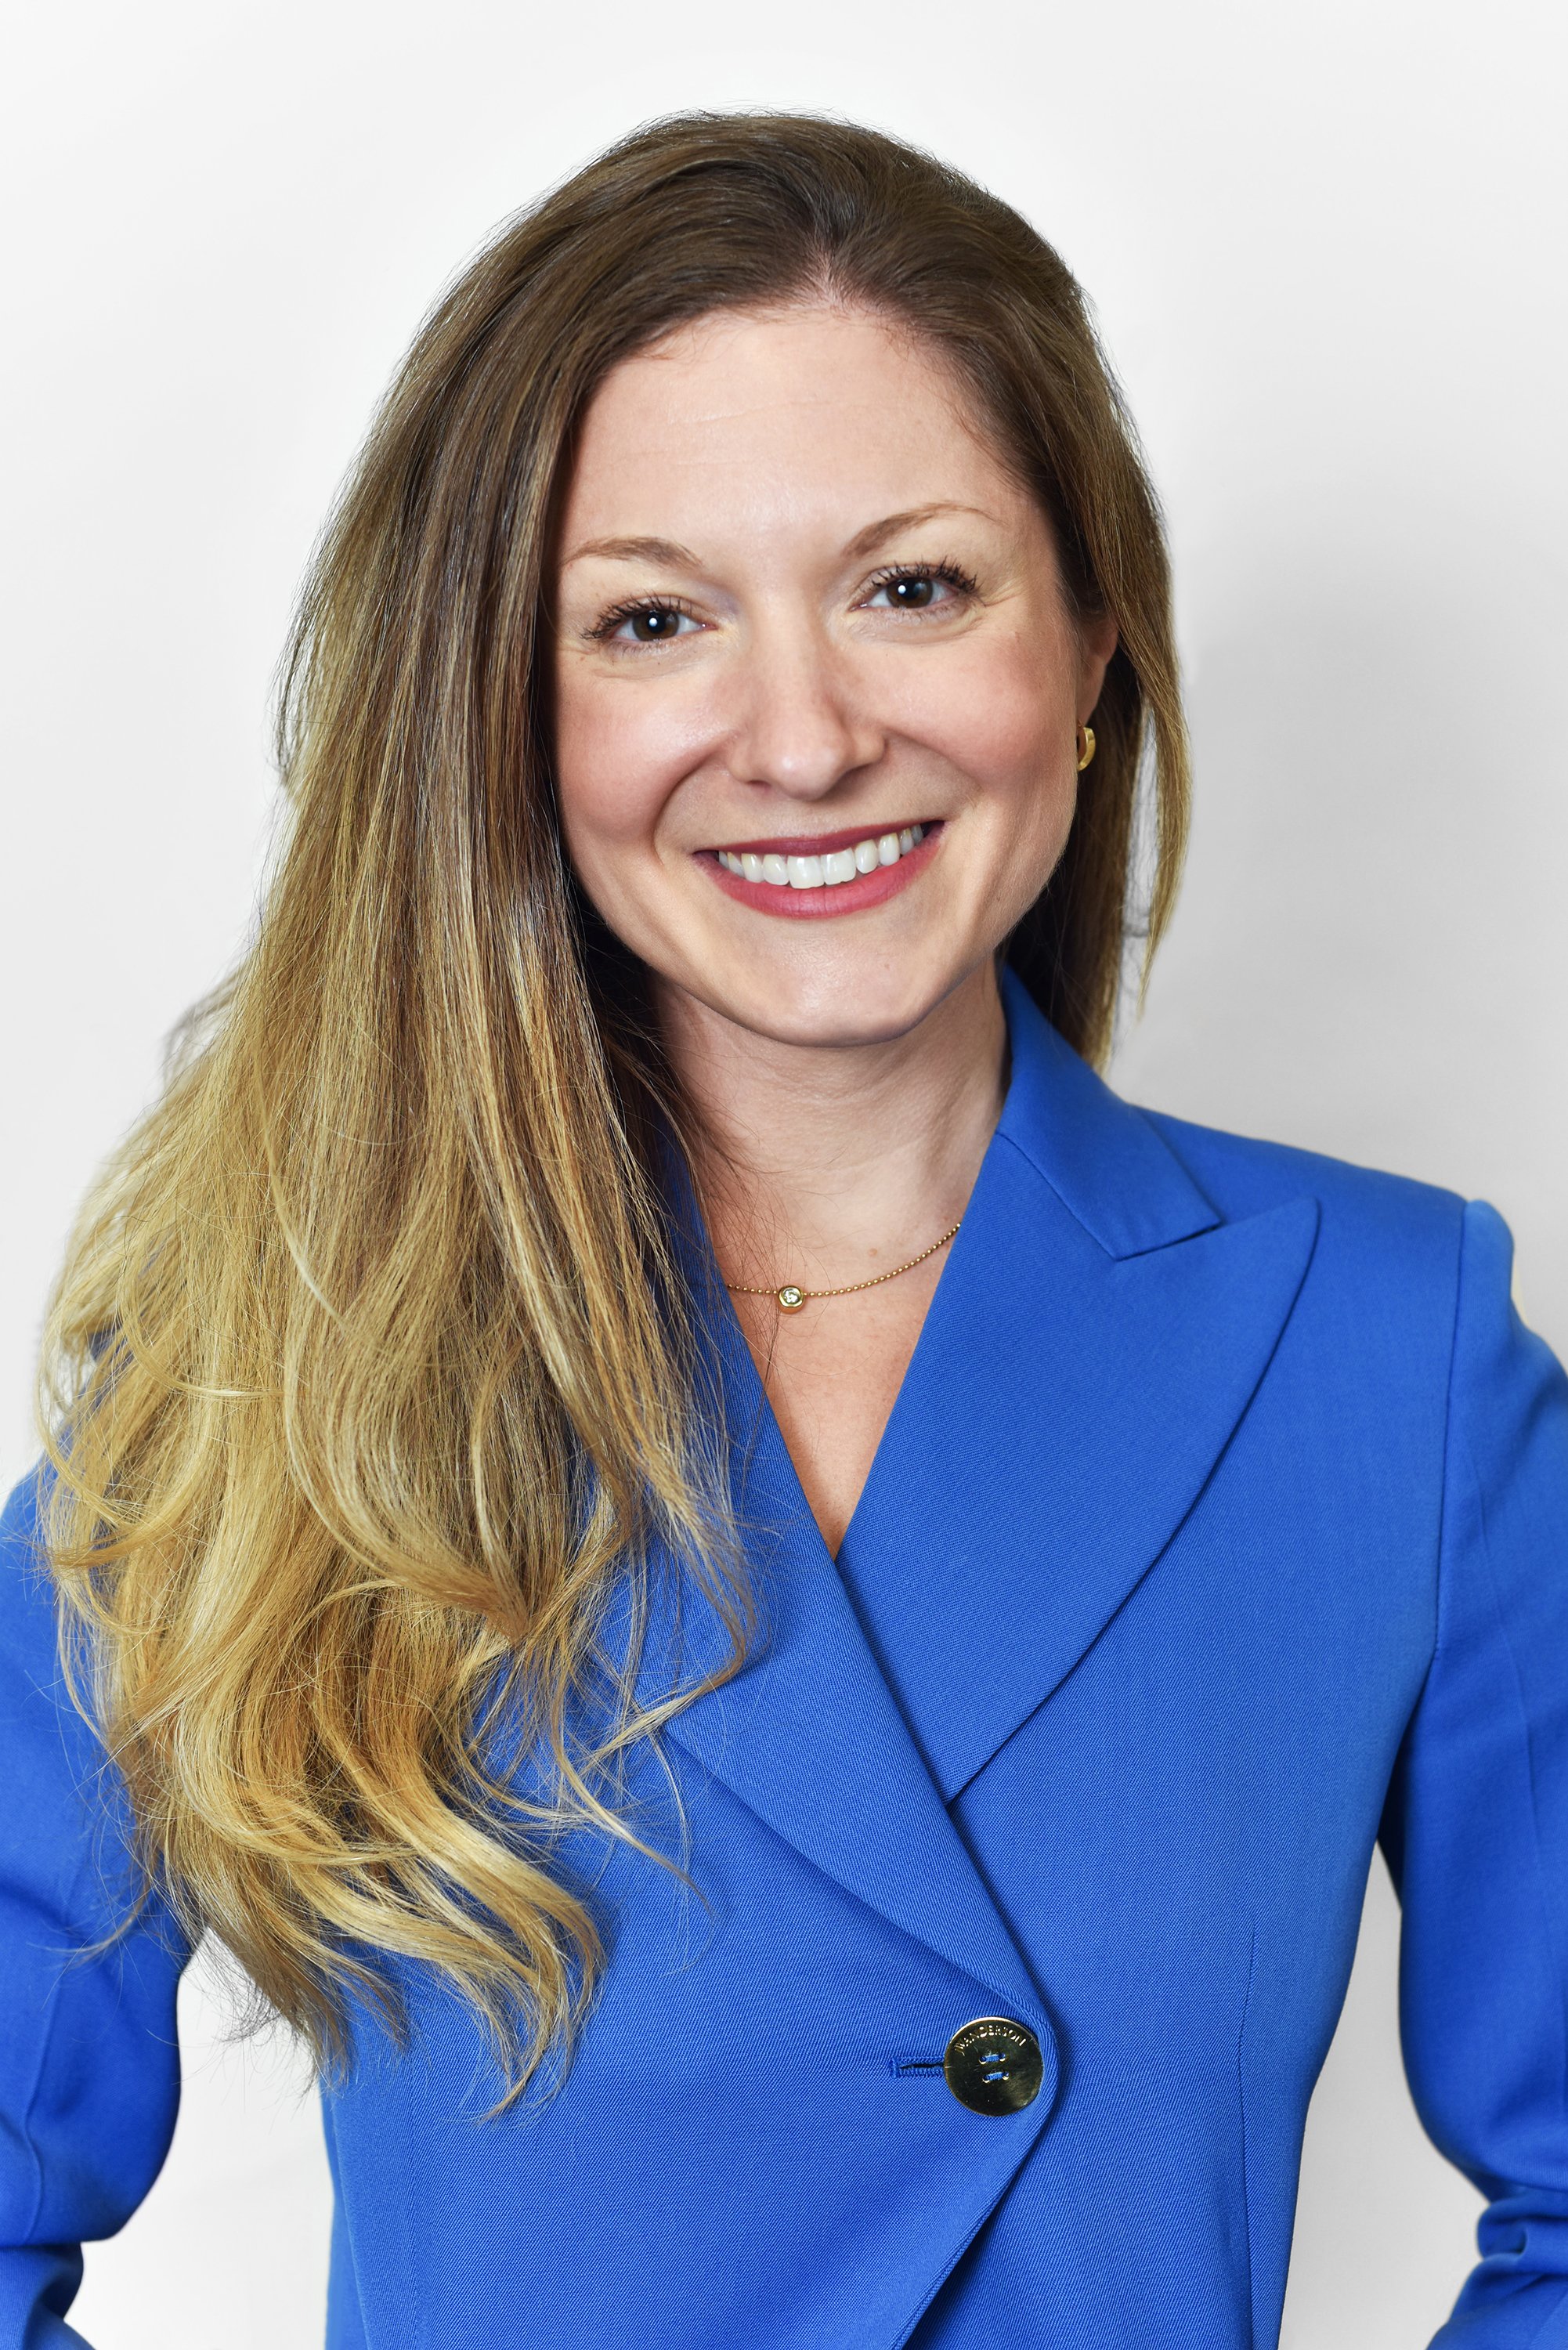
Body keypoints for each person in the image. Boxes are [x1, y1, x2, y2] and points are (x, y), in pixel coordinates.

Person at [2, 110, 1565, 2350]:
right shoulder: (291, 1363)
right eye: (650, 621)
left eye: (910, 586)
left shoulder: (1391, 1358)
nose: (806, 733)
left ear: (1091, 639)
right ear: (508, 718)